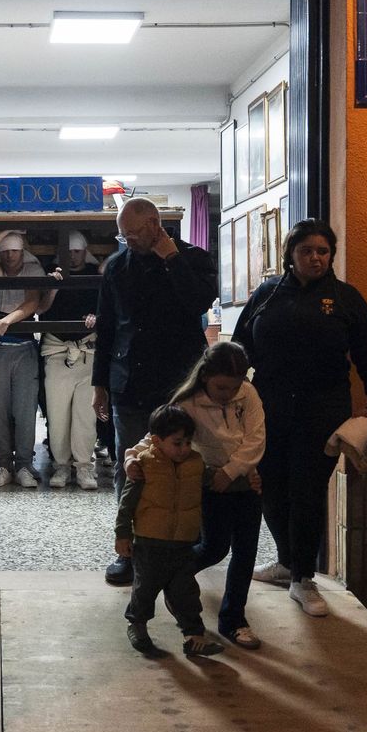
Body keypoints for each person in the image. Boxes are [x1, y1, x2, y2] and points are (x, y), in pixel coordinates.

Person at [231, 219, 367, 618]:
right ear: (290, 255)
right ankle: (287, 560)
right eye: (306, 251)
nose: (315, 258)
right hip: (269, 407)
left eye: (322, 251)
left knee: (306, 490)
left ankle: (303, 577)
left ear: (331, 255)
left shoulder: (346, 299)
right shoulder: (267, 294)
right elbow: (239, 345)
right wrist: (228, 393)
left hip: (322, 409)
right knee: (268, 486)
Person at [92, 198, 218, 586]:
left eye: (132, 234)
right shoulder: (116, 267)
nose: (127, 241)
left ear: (154, 225)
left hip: (180, 384)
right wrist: (100, 385)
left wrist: (171, 258)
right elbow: (108, 330)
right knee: (129, 468)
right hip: (129, 381)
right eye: (122, 235)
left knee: (186, 466)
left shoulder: (194, 259)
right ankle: (127, 552)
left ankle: (184, 552)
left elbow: (198, 302)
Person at [127, 342, 266, 649]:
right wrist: (132, 457)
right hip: (207, 483)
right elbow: (158, 436)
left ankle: (234, 620)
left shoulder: (249, 394)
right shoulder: (188, 403)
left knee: (245, 552)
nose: (228, 394)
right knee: (215, 547)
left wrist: (232, 471)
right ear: (205, 377)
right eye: (220, 387)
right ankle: (174, 580)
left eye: (234, 386)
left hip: (242, 481)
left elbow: (256, 439)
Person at [114, 405, 225, 659]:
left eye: (188, 442)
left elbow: (214, 479)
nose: (185, 448)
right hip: (149, 544)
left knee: (186, 593)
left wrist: (242, 478)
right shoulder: (143, 464)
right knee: (145, 589)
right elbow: (127, 503)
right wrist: (122, 535)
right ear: (156, 441)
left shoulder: (195, 465)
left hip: (182, 545)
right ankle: (137, 625)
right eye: (177, 443)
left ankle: (193, 636)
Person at [0, 230, 47, 488]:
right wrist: (8, 227)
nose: (9, 256)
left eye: (14, 251)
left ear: (22, 251)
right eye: (4, 252)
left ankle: (25, 464)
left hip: (24, 347)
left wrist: (7, 320)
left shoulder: (32, 269)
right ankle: (3, 464)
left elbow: (31, 303)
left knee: (26, 411)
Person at [40, 230, 101, 490]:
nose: (73, 257)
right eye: (69, 252)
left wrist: (94, 317)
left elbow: (104, 308)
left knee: (86, 416)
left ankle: (85, 466)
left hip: (88, 351)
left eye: (77, 252)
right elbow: (40, 310)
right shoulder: (51, 274)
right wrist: (53, 287)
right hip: (57, 351)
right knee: (57, 415)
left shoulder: (94, 277)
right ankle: (61, 466)